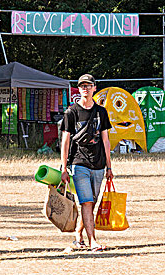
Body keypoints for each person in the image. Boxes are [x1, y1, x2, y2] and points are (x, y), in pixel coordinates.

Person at [60, 74, 113, 252]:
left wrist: (109, 166)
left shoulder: (101, 112)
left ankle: (78, 234)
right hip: (78, 162)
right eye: (82, 86)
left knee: (91, 202)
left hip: (98, 164)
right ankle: (93, 241)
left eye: (88, 85)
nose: (85, 88)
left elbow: (106, 140)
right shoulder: (71, 112)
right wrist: (64, 166)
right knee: (87, 202)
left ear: (94, 88)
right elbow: (65, 141)